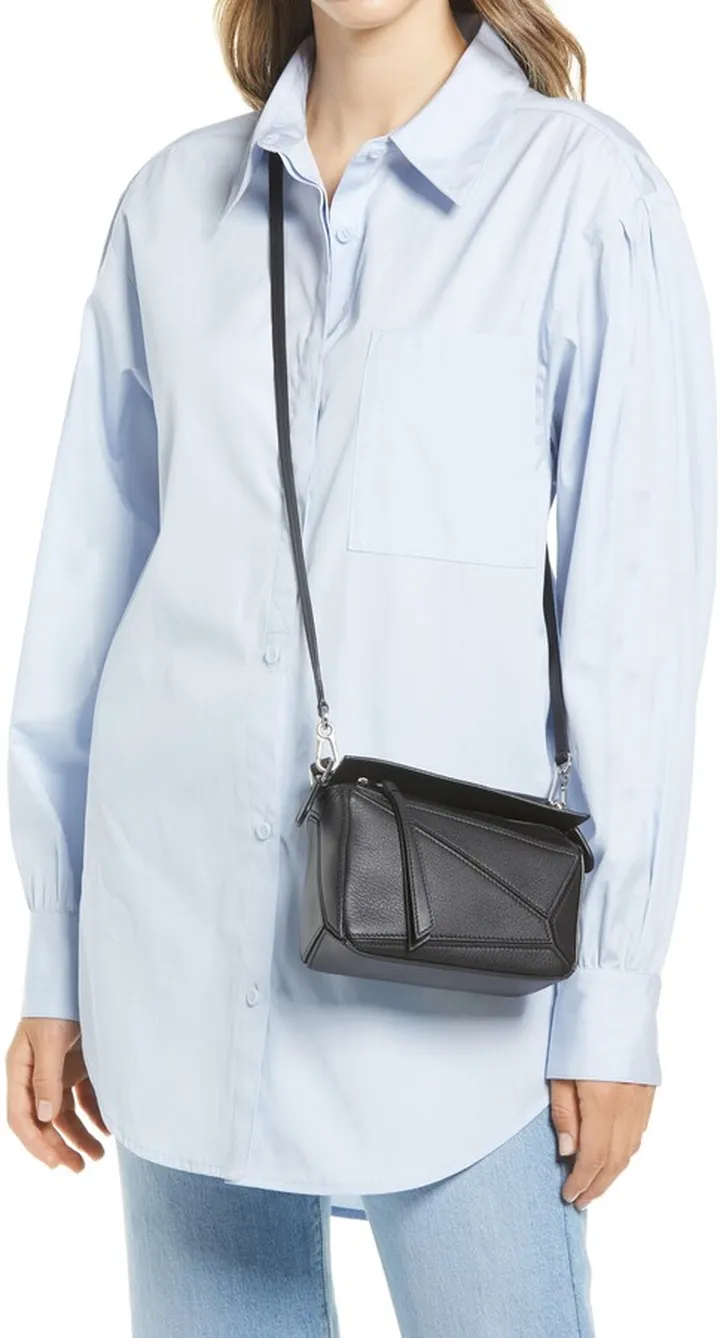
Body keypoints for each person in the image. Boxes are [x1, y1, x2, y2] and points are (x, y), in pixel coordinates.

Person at [4, 1, 717, 1335]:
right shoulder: (171, 211)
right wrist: (59, 948)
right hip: (176, 964)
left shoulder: (585, 200)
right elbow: (84, 604)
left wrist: (614, 996)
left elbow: (635, 632)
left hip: (456, 996)